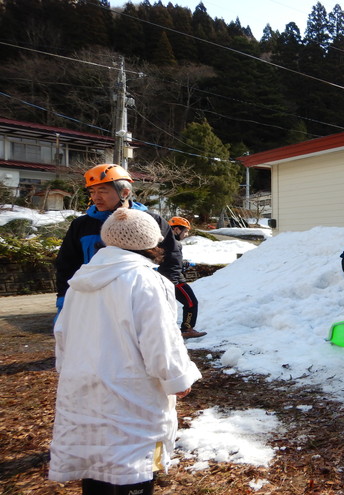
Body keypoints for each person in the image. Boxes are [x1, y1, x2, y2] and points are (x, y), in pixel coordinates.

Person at [49, 208, 202, 494]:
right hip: (130, 393)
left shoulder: (81, 282)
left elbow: (63, 334)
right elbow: (161, 342)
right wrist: (178, 380)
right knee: (135, 467)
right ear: (151, 243)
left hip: (82, 387)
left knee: (96, 467)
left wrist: (69, 371)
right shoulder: (147, 281)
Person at [55, 164, 183, 322]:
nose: (96, 197)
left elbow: (171, 256)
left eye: (103, 191)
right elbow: (66, 264)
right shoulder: (81, 225)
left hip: (140, 296)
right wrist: (64, 297)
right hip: (93, 299)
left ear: (125, 192)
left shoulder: (151, 221)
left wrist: (164, 288)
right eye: (92, 192)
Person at [169, 216, 207, 339]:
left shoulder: (168, 242)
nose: (187, 234)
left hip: (172, 278)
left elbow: (172, 261)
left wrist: (183, 264)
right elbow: (170, 263)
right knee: (191, 303)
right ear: (176, 230)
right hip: (175, 279)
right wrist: (182, 266)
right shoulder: (172, 243)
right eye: (185, 231)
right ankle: (186, 329)